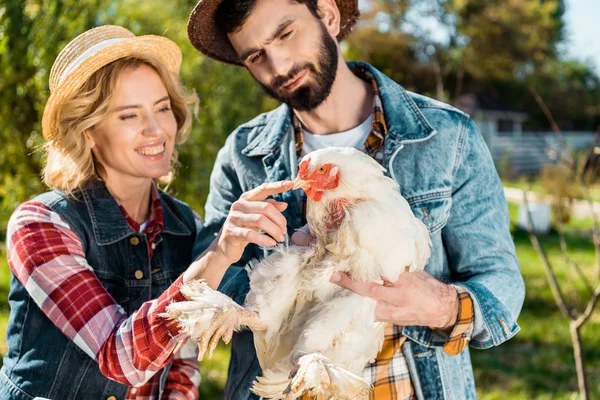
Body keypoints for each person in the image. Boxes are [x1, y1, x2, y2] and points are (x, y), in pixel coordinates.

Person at [185, 0, 526, 398]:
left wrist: (442, 304)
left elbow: (502, 283)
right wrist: (225, 252)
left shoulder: (447, 137)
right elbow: (201, 292)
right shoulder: (242, 155)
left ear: (328, 15)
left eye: (285, 33)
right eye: (256, 55)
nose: (278, 65)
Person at [1, 25, 292, 400]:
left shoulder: (185, 226)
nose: (156, 130)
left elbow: (183, 361)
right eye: (129, 116)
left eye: (162, 108)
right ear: (88, 130)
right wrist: (218, 255)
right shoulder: (42, 224)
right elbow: (122, 360)